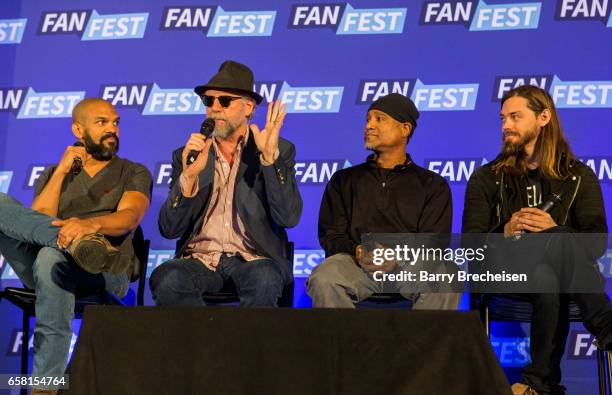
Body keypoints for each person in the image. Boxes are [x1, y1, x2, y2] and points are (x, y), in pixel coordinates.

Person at [462, 85, 612, 395]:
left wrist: (555, 230)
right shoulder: (486, 177)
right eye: (503, 118)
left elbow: (596, 244)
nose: (506, 125)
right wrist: (505, 230)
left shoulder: (578, 177)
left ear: (544, 117)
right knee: (554, 248)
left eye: (515, 117)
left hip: (557, 278)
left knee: (548, 273)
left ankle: (539, 385)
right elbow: (470, 246)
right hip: (506, 274)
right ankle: (608, 328)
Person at [0, 98, 152, 395]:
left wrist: (90, 226)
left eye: (116, 122)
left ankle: (45, 388)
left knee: (48, 259)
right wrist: (60, 172)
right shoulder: (55, 173)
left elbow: (128, 218)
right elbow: (36, 225)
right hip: (53, 260)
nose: (113, 129)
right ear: (78, 131)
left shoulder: (134, 171)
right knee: (10, 214)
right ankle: (77, 245)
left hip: (109, 268)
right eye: (102, 123)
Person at [150, 60, 302, 307]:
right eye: (208, 101)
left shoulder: (277, 150)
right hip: (199, 260)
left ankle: (244, 347)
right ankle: (203, 345)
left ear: (249, 107)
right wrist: (188, 178)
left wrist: (269, 160)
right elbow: (169, 229)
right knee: (167, 278)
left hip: (254, 259)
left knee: (264, 278)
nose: (214, 108)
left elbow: (289, 217)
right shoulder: (188, 155)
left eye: (225, 101)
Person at [307, 93, 460, 310]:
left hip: (408, 268)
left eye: (380, 119)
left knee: (446, 276)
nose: (369, 126)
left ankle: (421, 345)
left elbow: (435, 242)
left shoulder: (432, 184)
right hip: (357, 265)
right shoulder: (344, 179)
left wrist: (396, 257)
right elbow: (331, 235)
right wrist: (359, 251)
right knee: (324, 277)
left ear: (405, 129)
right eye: (368, 119)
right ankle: (342, 344)